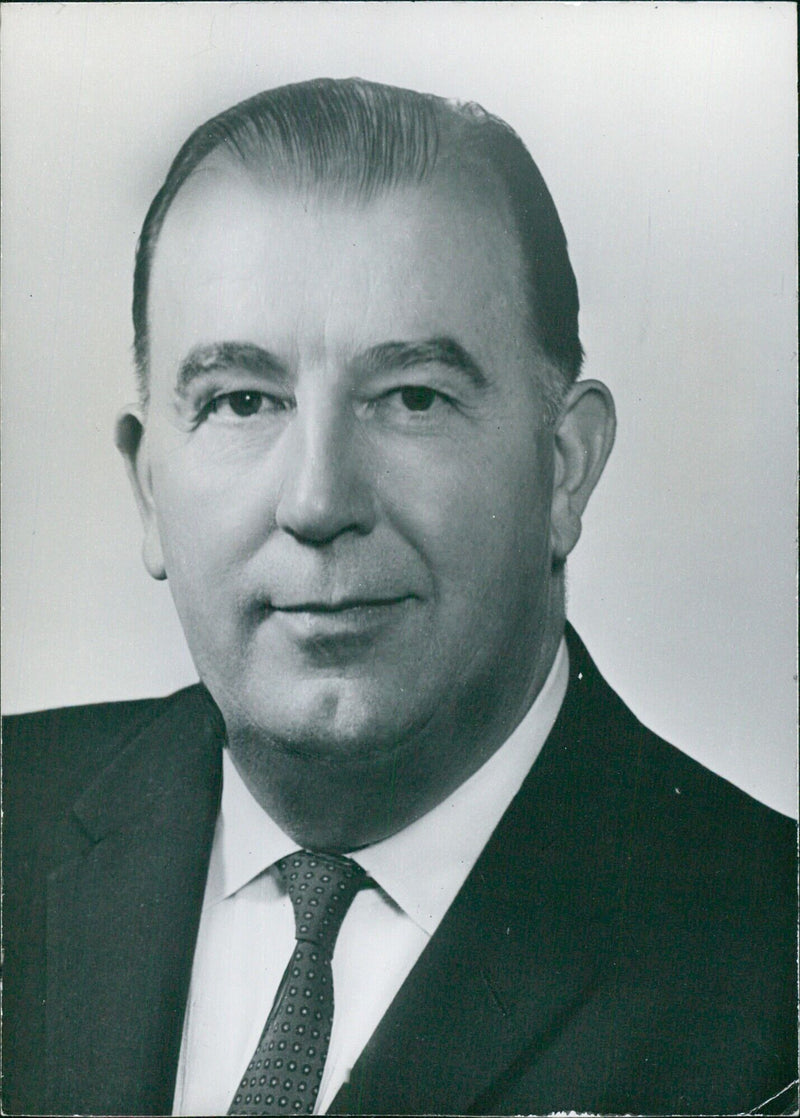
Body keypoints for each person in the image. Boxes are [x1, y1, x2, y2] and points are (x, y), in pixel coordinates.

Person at [2, 78, 795, 1118]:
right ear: (148, 486)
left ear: (563, 468)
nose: (318, 498)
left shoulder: (769, 964)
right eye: (242, 400)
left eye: (411, 397)